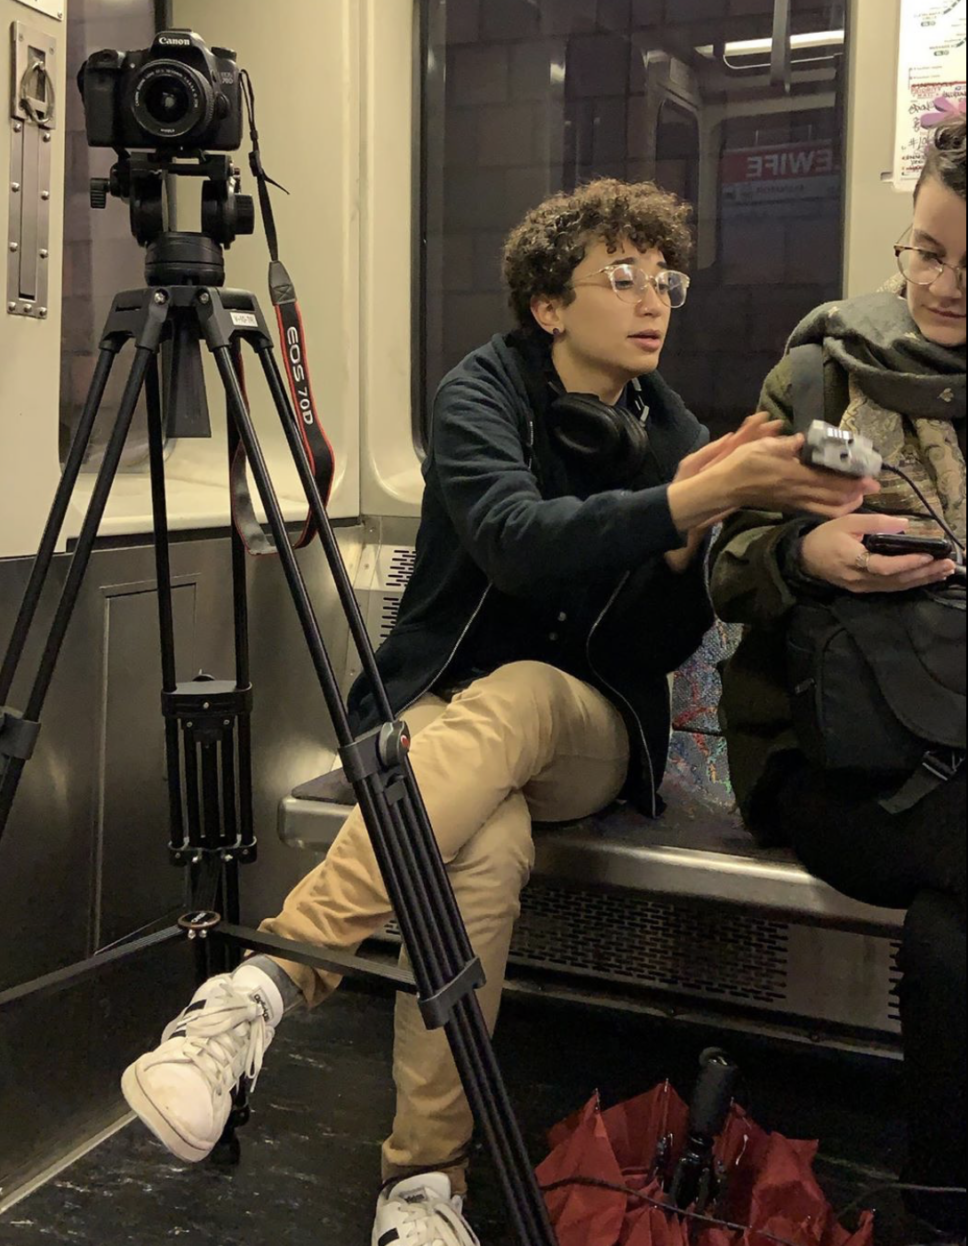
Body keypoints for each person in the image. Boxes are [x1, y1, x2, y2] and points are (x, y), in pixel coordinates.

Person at [122, 178, 874, 1244]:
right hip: (440, 710)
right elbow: (514, 538)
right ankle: (423, 1187)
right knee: (482, 847)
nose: (652, 298)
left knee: (519, 700)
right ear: (548, 305)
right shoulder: (480, 393)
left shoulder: (675, 432)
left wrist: (683, 537)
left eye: (665, 279)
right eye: (621, 277)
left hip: (591, 727)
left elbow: (659, 646)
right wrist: (684, 502)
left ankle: (262, 985)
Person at [710, 116, 966, 1239]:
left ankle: (939, 1205)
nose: (944, 286)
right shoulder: (822, 370)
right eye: (927, 251)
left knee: (953, 933)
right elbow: (721, 558)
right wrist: (800, 553)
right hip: (826, 760)